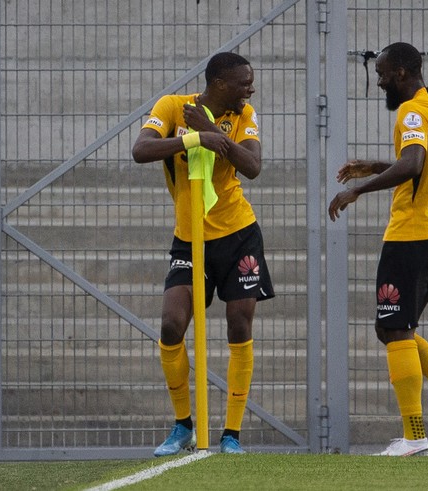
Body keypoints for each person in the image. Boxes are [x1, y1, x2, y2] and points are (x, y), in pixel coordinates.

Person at [328, 42, 428, 456]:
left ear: (400, 73)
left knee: (394, 329)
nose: (378, 82)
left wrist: (356, 189)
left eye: (381, 74)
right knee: (394, 328)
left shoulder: (412, 111)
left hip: (411, 234)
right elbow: (423, 163)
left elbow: (413, 165)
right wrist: (378, 166)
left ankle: (414, 436)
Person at [132, 52, 275, 456]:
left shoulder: (244, 115)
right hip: (189, 237)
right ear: (218, 82)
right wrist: (194, 137)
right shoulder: (173, 107)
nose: (250, 88)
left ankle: (231, 434)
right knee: (171, 326)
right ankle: (182, 427)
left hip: (238, 235)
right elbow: (141, 150)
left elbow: (252, 166)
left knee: (238, 325)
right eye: (243, 82)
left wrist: (216, 134)